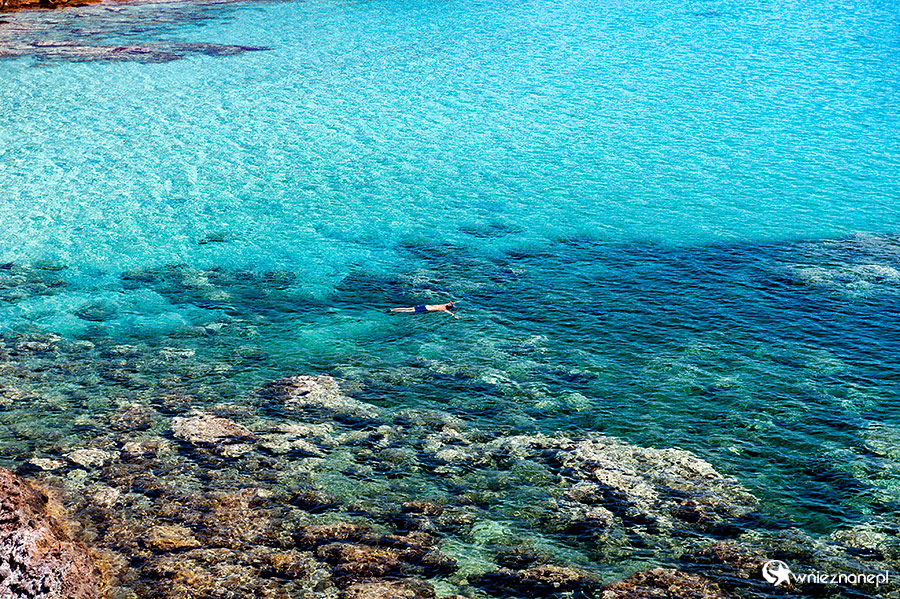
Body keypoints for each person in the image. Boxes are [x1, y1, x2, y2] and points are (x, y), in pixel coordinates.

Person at [385, 301, 458, 318]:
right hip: (425, 309)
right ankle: (392, 310)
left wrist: (456, 302)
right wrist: (455, 316)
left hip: (425, 306)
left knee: (407, 309)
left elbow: (451, 304)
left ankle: (392, 309)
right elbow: (450, 313)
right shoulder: (443, 308)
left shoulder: (444, 305)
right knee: (407, 311)